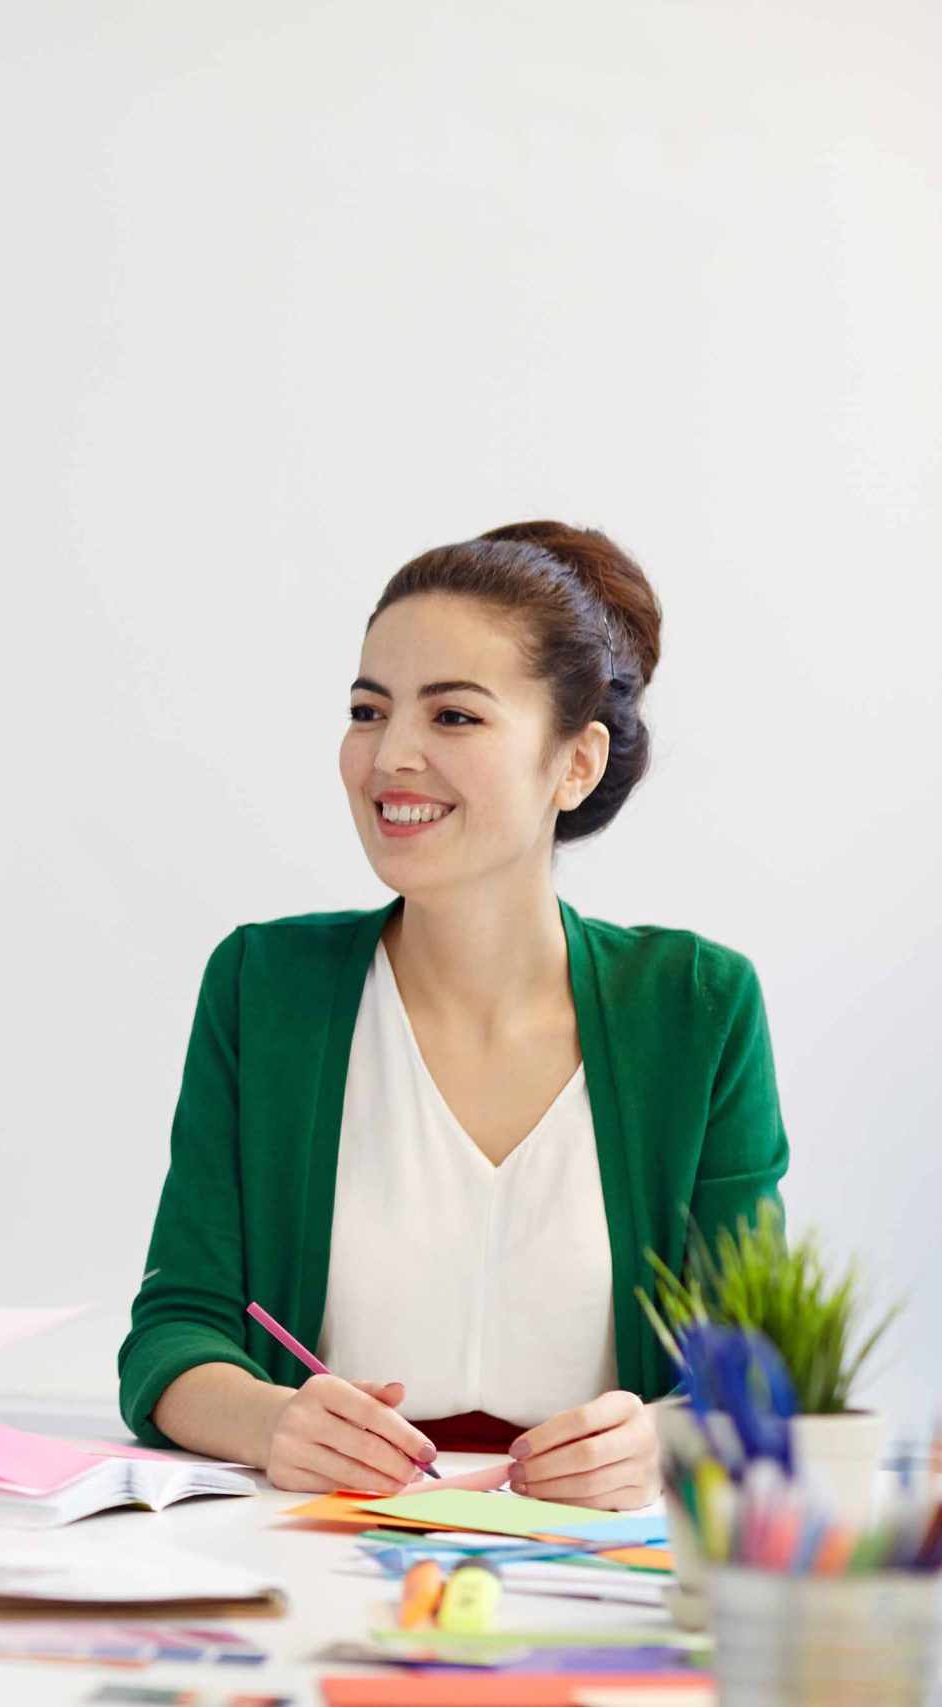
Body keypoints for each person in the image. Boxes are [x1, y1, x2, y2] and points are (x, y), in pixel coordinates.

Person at [117, 522, 789, 1512]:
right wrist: (271, 1423)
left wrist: (670, 1440)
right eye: (366, 709)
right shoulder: (268, 986)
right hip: (316, 1544)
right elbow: (174, 1331)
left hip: (594, 1564)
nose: (389, 756)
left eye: (454, 718)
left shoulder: (696, 1004)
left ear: (573, 764)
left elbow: (761, 1367)